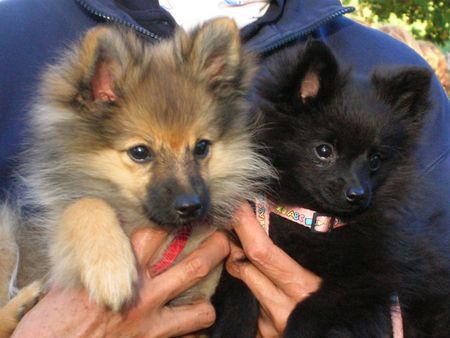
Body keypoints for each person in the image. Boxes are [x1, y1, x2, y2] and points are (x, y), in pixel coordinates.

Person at [1, 0, 449, 336]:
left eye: (201, 150)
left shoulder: (394, 79)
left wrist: (367, 324)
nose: (188, 194)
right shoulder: (13, 33)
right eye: (141, 153)